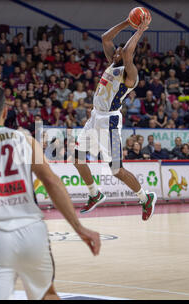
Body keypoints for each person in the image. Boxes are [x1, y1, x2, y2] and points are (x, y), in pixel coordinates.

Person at [0, 85, 101, 300]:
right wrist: (79, 227)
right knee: (47, 295)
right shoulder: (25, 140)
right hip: (33, 233)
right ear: (4, 112)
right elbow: (52, 181)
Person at [73, 17, 157, 219]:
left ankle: (145, 198)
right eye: (117, 50)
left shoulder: (130, 74)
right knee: (77, 157)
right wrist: (128, 21)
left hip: (109, 121)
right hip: (95, 116)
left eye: (120, 50)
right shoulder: (113, 63)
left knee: (116, 170)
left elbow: (128, 52)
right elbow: (105, 38)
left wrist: (139, 30)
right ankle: (95, 194)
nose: (117, 51)